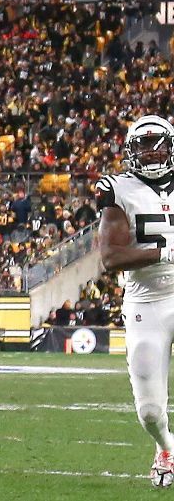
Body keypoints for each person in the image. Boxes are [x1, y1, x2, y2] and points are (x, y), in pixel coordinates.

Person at [96, 114, 174, 488]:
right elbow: (109, 259)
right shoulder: (119, 190)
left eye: (158, 143)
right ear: (131, 151)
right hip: (147, 302)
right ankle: (165, 448)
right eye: (144, 145)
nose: (153, 152)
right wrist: (162, 254)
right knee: (149, 411)